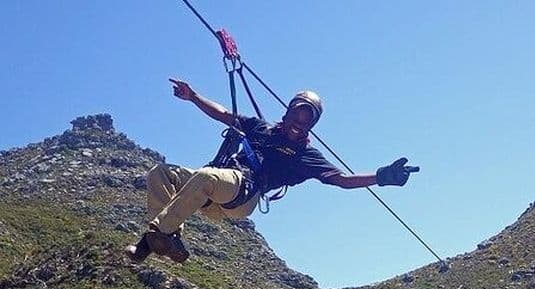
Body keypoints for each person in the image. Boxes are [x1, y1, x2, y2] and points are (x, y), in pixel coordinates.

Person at [125, 78, 419, 263]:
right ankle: (162, 238)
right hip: (212, 192)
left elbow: (341, 180)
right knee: (160, 173)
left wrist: (381, 177)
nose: (299, 123)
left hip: (242, 196)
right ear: (287, 111)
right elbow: (224, 115)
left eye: (307, 121)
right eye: (297, 114)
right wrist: (193, 96)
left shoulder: (305, 155)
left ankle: (153, 239)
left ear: (312, 125)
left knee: (206, 176)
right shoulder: (260, 128)